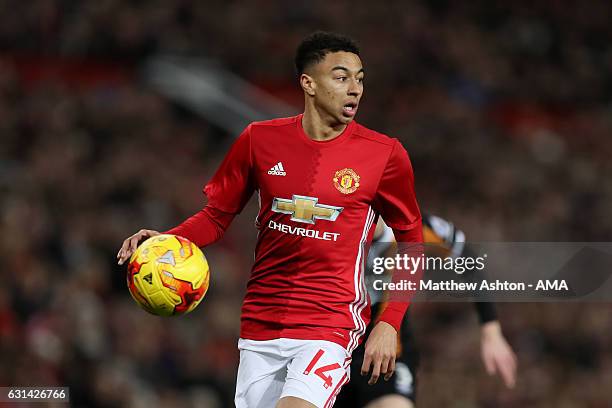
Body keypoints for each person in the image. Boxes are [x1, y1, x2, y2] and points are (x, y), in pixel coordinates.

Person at [116, 31, 423, 408]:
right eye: (342, 78)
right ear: (308, 84)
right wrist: (168, 239)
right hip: (261, 325)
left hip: (330, 324)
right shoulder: (258, 140)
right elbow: (216, 217)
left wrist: (389, 321)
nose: (355, 89)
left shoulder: (385, 155)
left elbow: (411, 240)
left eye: (360, 78)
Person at [334, 214, 518, 408]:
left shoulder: (415, 227)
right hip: (326, 344)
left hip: (389, 352)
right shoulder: (327, 226)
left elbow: (468, 258)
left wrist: (491, 330)